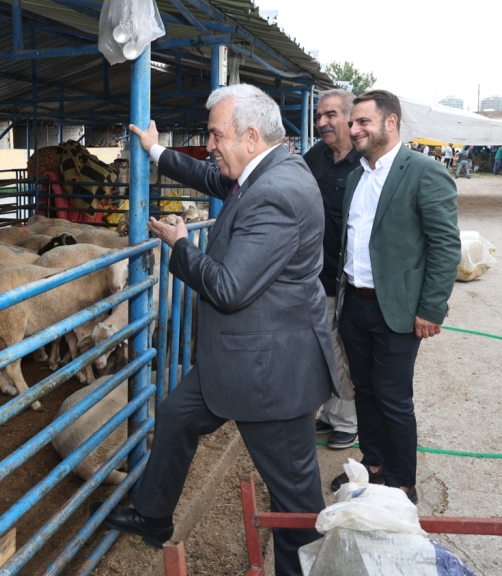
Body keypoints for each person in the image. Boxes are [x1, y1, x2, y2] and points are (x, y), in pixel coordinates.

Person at [100, 84, 337, 576]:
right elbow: (212, 176)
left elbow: (228, 288)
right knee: (176, 415)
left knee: (294, 501)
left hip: (272, 372)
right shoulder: (267, 169)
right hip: (240, 355)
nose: (208, 144)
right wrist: (155, 149)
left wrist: (183, 246)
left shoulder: (277, 194)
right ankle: (154, 516)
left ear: (250, 137)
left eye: (214, 134)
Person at [331, 90, 460, 505]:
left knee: (392, 396)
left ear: (391, 122)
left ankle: (403, 483)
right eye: (352, 123)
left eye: (362, 122)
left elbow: (445, 245)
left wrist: (430, 308)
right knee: (364, 391)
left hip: (398, 309)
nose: (353, 130)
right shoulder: (356, 176)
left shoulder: (423, 171)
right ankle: (374, 465)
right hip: (356, 304)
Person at [303, 89, 360, 450]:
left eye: (331, 115)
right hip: (316, 274)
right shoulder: (314, 157)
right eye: (319, 116)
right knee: (323, 348)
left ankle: (347, 420)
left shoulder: (365, 162)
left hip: (351, 278)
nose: (323, 122)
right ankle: (330, 413)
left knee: (344, 349)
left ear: (349, 118)